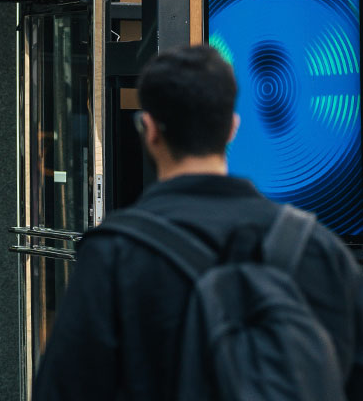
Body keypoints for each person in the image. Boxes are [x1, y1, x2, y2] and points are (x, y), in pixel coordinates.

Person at [32, 44, 363, 400]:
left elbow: (63, 388)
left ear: (149, 129)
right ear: (232, 128)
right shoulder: (317, 248)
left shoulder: (114, 255)